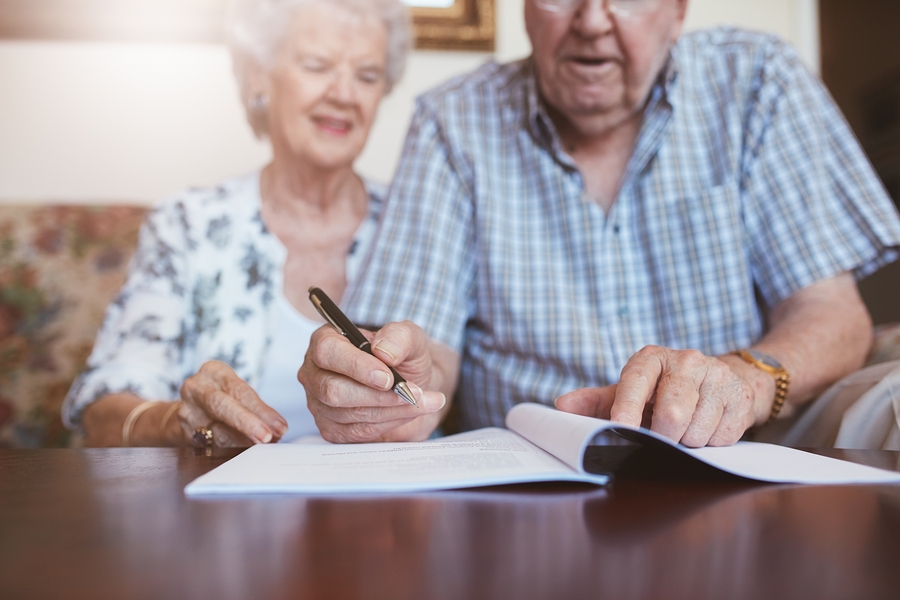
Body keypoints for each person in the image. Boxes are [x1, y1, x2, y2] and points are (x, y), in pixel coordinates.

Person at [298, 0, 900, 447]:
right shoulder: (451, 121)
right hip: (527, 501)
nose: (591, 20)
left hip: (740, 474)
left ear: (679, 10)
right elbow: (427, 359)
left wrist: (744, 380)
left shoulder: (758, 81)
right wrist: (390, 386)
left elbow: (834, 315)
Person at [61, 0, 411, 447]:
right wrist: (176, 421)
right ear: (258, 76)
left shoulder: (418, 219)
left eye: (367, 75)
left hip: (386, 506)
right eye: (317, 65)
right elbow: (104, 411)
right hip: (230, 509)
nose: (344, 94)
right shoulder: (188, 224)